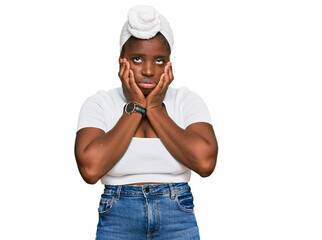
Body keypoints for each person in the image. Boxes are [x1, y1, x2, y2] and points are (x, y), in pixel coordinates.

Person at [74, 5, 218, 240]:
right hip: (117, 218)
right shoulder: (99, 103)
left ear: (170, 64)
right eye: (137, 59)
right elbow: (90, 170)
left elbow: (205, 162)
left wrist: (154, 109)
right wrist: (135, 107)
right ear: (122, 61)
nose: (149, 70)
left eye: (160, 60)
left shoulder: (186, 100)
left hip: (177, 216)